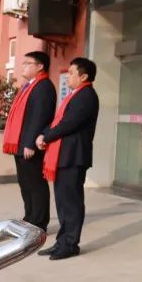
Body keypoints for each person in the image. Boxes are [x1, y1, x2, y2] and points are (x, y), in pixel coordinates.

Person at [35, 57, 100, 261]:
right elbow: (58, 121)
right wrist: (44, 133)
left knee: (71, 203)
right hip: (64, 155)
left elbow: (69, 124)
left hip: (74, 156)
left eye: (72, 73)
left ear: (84, 76)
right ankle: (61, 242)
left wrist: (46, 136)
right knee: (63, 202)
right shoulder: (75, 95)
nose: (68, 76)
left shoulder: (87, 96)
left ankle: (70, 244)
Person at [2, 51, 56, 233]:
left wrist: (30, 144)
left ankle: (39, 222)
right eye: (23, 63)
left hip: (29, 145)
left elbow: (39, 117)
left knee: (35, 183)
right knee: (25, 183)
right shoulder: (29, 86)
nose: (23, 66)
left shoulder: (44, 87)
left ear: (40, 66)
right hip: (20, 143)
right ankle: (30, 217)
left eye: (27, 63)